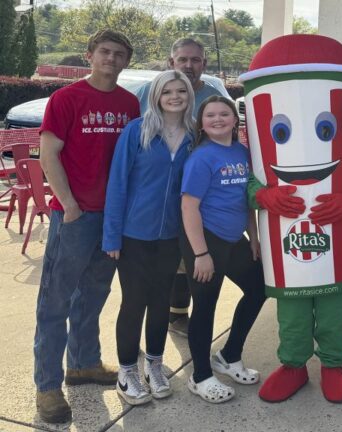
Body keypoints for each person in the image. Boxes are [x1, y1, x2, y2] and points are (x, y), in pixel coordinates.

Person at [34, 29, 140, 424]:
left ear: (126, 61)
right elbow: (49, 155)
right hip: (76, 216)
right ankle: (47, 385)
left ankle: (83, 365)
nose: (111, 59)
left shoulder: (130, 103)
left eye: (119, 54)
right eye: (105, 52)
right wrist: (70, 206)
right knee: (55, 301)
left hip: (113, 219)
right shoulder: (66, 98)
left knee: (94, 294)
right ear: (90, 55)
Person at [102, 70, 196, 405]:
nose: (174, 96)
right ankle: (127, 371)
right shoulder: (137, 132)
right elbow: (117, 184)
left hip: (172, 237)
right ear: (156, 96)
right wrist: (112, 236)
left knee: (160, 303)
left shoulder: (193, 137)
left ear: (188, 95)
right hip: (134, 235)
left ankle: (155, 365)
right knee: (134, 302)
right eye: (167, 91)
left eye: (180, 91)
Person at [134, 38, 229, 339]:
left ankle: (178, 315)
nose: (189, 65)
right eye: (182, 59)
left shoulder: (214, 95)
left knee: (189, 258)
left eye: (196, 60)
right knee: (157, 266)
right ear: (171, 61)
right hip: (157, 194)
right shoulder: (148, 92)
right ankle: (144, 328)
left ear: (204, 64)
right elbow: (132, 138)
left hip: (202, 195)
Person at [180, 96, 267, 403]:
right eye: (210, 115)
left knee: (259, 289)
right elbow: (189, 206)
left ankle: (229, 356)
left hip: (235, 239)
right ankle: (200, 376)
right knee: (205, 307)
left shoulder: (241, 151)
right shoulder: (201, 157)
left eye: (224, 114)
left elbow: (246, 200)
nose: (218, 119)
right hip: (206, 239)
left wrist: (254, 236)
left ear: (235, 119)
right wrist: (201, 254)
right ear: (201, 123)